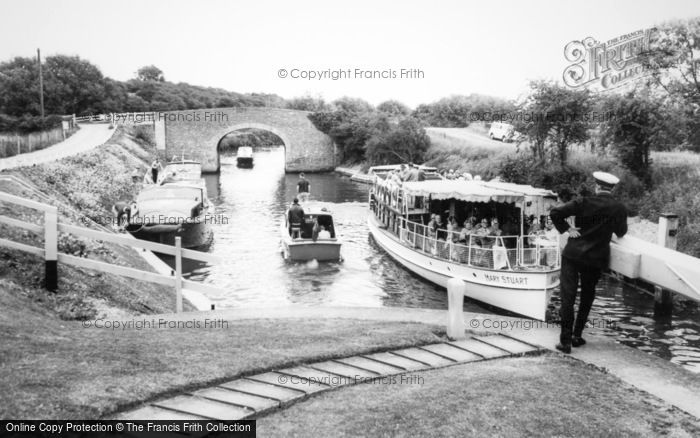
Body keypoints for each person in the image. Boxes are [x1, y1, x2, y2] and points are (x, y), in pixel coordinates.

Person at [549, 171, 627, 354]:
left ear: (597, 186)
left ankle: (565, 342)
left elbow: (555, 212)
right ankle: (577, 335)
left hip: (573, 254)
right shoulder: (619, 208)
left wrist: (567, 229)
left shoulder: (583, 202)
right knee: (587, 297)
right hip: (595, 258)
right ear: (612, 188)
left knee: (567, 298)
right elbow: (621, 232)